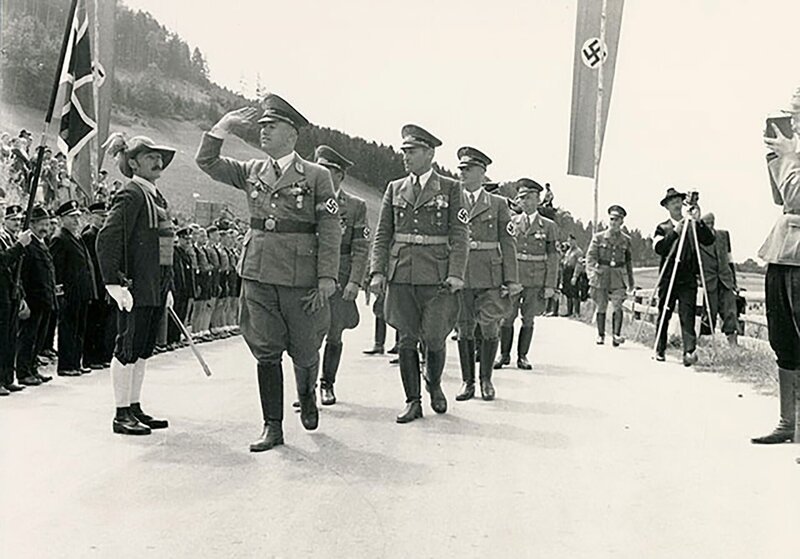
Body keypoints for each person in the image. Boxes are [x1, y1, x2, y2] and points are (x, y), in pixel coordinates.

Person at [196, 96, 341, 451]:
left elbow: (331, 228)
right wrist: (222, 128)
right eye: (261, 126)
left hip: (301, 277)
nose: (263, 132)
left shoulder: (318, 176)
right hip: (258, 272)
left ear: (291, 134)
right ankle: (272, 426)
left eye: (270, 127)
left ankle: (307, 394)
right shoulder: (251, 171)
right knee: (266, 350)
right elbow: (208, 162)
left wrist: (326, 278)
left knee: (306, 351)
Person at [369, 124, 468, 423]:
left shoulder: (451, 188)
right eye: (404, 152)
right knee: (406, 340)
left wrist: (456, 274)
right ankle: (413, 401)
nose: (405, 157)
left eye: (411, 152)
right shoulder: (394, 187)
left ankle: (434, 383)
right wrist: (377, 271)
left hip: (438, 277)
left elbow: (460, 235)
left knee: (436, 339)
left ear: (429, 153)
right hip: (401, 275)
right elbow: (383, 233)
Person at [97, 134, 176, 436]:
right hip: (136, 287)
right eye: (149, 157)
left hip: (154, 288)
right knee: (127, 348)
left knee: (143, 350)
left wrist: (167, 287)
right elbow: (108, 240)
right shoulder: (131, 194)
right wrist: (114, 283)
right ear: (133, 163)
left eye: (159, 157)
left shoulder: (156, 196)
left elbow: (164, 248)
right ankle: (120, 414)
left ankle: (134, 405)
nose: (157, 161)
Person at [751, 88, 800, 445]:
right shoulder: (792, 151)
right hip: (783, 252)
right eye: (791, 114)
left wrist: (791, 158)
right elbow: (781, 198)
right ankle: (788, 424)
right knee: (783, 338)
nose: (793, 121)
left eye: (797, 114)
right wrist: (777, 158)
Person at [453, 146, 519, 402]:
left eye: (468, 169)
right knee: (464, 329)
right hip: (461, 272)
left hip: (490, 275)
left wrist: (512, 279)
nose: (463, 173)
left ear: (482, 172)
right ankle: (467, 382)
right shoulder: (452, 199)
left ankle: (486, 380)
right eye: (461, 169)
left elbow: (509, 243)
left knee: (490, 328)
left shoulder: (499, 204)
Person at [314, 145, 370, 406]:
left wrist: (355, 281)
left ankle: (327, 384)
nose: (321, 174)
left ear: (339, 175)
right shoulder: (307, 199)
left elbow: (361, 246)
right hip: (309, 275)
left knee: (334, 332)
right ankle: (306, 387)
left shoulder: (356, 206)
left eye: (327, 171)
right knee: (307, 334)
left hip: (340, 276)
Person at [494, 179, 558, 370]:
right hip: (513, 277)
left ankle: (522, 356)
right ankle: (504, 355)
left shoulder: (548, 226)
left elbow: (553, 257)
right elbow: (502, 249)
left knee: (528, 318)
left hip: (535, 279)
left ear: (538, 200)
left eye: (530, 198)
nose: (527, 202)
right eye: (523, 198)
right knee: (507, 316)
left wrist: (550, 286)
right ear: (518, 201)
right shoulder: (511, 222)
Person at [652, 187, 715, 366]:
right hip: (668, 275)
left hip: (688, 276)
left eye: (678, 201)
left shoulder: (693, 224)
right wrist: (675, 232)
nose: (676, 205)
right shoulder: (662, 227)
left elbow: (709, 240)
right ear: (666, 206)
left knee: (687, 315)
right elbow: (659, 248)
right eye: (672, 203)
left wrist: (698, 221)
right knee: (665, 311)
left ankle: (689, 351)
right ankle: (660, 348)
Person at [50, 200, 96, 376]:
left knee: (79, 328)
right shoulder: (59, 238)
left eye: (77, 216)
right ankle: (66, 365)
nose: (76, 220)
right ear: (62, 219)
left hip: (81, 292)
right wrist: (60, 294)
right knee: (68, 329)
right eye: (72, 217)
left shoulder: (75, 237)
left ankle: (76, 362)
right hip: (69, 293)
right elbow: (57, 269)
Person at [16, 205, 58, 386]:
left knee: (38, 338)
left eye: (47, 224)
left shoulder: (42, 243)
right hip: (33, 300)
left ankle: (33, 369)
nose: (45, 228)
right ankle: (24, 372)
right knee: (28, 337)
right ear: (31, 224)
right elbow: (21, 275)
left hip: (44, 299)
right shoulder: (28, 244)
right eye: (41, 224)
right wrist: (22, 299)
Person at [586, 205, 635, 346]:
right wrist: (592, 274)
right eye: (612, 219)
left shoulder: (626, 240)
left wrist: (631, 282)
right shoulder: (599, 237)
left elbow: (628, 262)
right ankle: (601, 335)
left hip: (618, 277)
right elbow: (590, 258)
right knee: (601, 306)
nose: (613, 222)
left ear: (622, 222)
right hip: (601, 275)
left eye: (617, 220)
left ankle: (616, 335)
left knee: (617, 306)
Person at [0, 202, 32, 395]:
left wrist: (21, 296)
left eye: (18, 220)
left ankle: (7, 378)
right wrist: (20, 245)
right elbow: (2, 262)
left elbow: (16, 274)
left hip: (10, 294)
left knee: (10, 338)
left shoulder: (10, 238)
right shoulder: (9, 240)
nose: (16, 223)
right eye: (12, 220)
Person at [81, 201, 115, 369]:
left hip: (104, 285)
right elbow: (91, 264)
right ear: (92, 217)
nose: (103, 219)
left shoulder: (103, 235)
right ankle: (90, 358)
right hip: (96, 285)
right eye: (100, 216)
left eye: (105, 217)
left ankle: (100, 356)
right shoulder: (88, 235)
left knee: (102, 322)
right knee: (93, 323)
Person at [698, 212, 739, 346]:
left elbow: (730, 259)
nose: (710, 224)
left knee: (730, 311)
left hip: (725, 279)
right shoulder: (698, 237)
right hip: (708, 280)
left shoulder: (723, 235)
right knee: (709, 311)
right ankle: (706, 342)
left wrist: (734, 282)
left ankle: (732, 343)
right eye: (707, 223)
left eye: (712, 222)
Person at [168, 226, 195, 348]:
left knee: (182, 314)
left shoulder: (187, 255)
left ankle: (176, 337)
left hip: (184, 290)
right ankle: (170, 339)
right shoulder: (175, 253)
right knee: (174, 315)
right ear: (179, 239)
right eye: (185, 239)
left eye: (189, 240)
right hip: (177, 289)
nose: (188, 242)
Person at [561, 234, 583, 316]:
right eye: (569, 241)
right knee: (568, 292)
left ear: (575, 241)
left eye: (571, 241)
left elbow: (579, 264)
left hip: (573, 271)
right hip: (566, 272)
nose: (570, 242)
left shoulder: (578, 252)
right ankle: (569, 311)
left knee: (575, 292)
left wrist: (575, 276)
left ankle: (576, 312)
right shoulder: (568, 251)